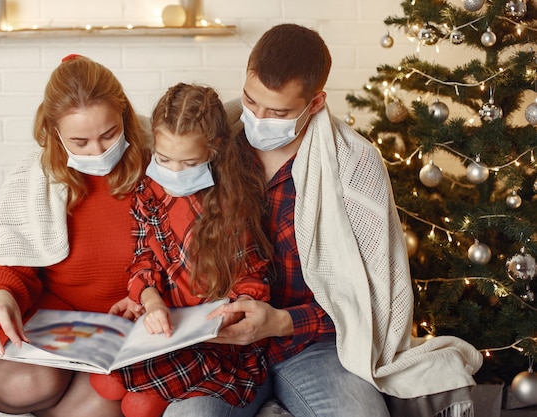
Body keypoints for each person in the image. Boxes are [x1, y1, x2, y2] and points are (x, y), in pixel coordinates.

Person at [162, 24, 483, 417]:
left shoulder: (354, 164)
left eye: (278, 112)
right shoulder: (216, 142)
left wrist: (282, 322)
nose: (258, 118)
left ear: (315, 103)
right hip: (224, 346)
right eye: (251, 101)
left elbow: (370, 300)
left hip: (309, 344)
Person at [0, 54, 152, 417]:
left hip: (128, 329)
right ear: (55, 132)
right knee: (31, 384)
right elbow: (6, 261)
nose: (99, 152)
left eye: (109, 134)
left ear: (125, 116)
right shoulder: (34, 177)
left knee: (97, 410)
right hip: (58, 322)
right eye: (80, 141)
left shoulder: (162, 164)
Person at [89, 82, 274, 417]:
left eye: (189, 163)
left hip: (218, 344)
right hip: (166, 329)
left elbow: (252, 279)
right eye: (164, 159)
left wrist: (235, 311)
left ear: (214, 151)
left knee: (138, 406)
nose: (173, 172)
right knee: (105, 383)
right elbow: (143, 257)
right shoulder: (149, 189)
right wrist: (151, 300)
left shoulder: (232, 201)